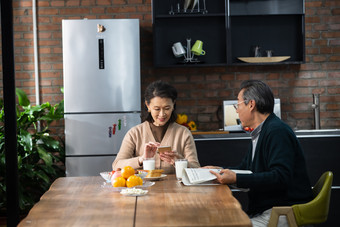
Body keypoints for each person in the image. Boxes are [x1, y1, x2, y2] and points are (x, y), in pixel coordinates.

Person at [205, 80, 313, 227]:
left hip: (283, 212)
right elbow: (246, 169)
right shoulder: (262, 131)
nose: (236, 110)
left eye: (238, 104)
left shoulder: (277, 131)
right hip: (268, 210)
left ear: (251, 104)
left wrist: (236, 178)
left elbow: (280, 177)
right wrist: (216, 171)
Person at [112, 80, 200, 173]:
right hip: (143, 187)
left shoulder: (183, 133)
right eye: (157, 109)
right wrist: (141, 159)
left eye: (167, 108)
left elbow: (196, 168)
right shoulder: (135, 133)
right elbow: (116, 165)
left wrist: (179, 161)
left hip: (175, 187)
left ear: (173, 105)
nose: (162, 114)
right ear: (148, 106)